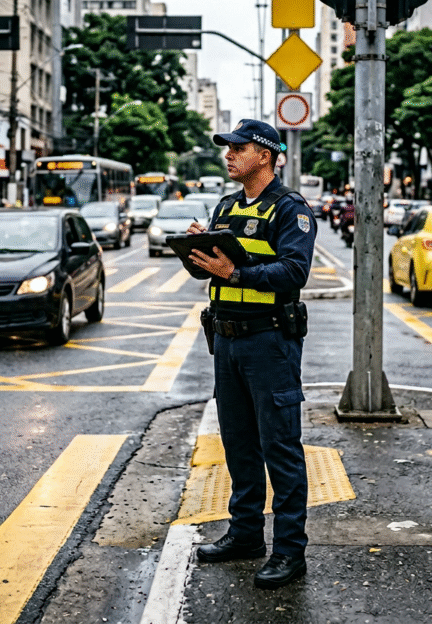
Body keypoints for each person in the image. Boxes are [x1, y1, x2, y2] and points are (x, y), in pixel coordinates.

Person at [185, 119, 315, 590]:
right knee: (239, 445)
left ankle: (289, 551)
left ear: (265, 154)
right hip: (226, 340)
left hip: (270, 342)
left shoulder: (289, 208)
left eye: (238, 148)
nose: (229, 154)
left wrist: (235, 272)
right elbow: (216, 270)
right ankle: (245, 536)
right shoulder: (225, 206)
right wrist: (200, 248)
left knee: (279, 448)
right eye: (228, 148)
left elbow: (294, 272)